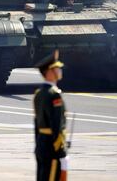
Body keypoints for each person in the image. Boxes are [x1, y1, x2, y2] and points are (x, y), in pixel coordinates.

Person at [33, 50, 69, 181]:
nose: (60, 70)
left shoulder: (39, 93)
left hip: (41, 144)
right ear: (49, 72)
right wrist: (61, 152)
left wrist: (38, 144)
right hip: (52, 147)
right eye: (56, 68)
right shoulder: (54, 94)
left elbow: (37, 123)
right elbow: (56, 125)